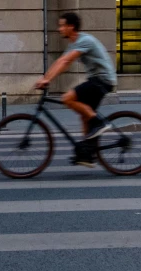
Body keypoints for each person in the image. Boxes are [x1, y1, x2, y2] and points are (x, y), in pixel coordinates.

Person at [35, 11, 117, 168]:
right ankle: (87, 154)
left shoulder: (84, 40)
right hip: (97, 80)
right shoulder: (75, 43)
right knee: (84, 115)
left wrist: (47, 80)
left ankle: (99, 123)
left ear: (71, 27)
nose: (59, 29)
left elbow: (67, 60)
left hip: (102, 80)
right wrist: (46, 78)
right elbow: (61, 62)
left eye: (62, 26)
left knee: (67, 98)